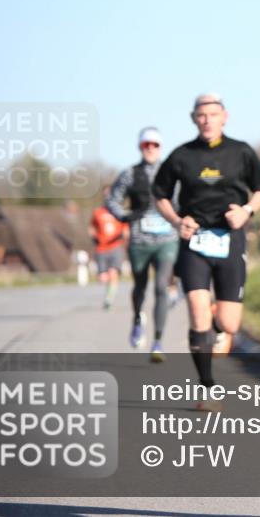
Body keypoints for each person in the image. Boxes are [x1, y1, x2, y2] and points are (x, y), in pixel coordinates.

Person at [152, 94, 260, 408]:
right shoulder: (182, 155)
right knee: (197, 310)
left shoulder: (241, 151)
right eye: (201, 115)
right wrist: (177, 221)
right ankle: (207, 387)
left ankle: (216, 328)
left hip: (231, 239)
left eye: (213, 114)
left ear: (224, 117)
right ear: (194, 118)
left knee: (230, 324)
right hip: (194, 241)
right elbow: (160, 194)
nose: (207, 120)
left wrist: (246, 211)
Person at [106, 127, 180, 362]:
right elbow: (112, 200)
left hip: (167, 240)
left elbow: (183, 201)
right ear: (140, 147)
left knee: (161, 287)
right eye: (146, 145)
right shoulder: (130, 173)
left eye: (154, 145)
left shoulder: (173, 173)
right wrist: (125, 216)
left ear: (160, 147)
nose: (150, 149)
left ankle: (158, 342)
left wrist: (181, 219)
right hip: (139, 241)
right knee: (140, 286)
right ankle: (138, 317)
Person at [90, 186, 129, 310]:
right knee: (102, 278)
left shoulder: (119, 212)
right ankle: (109, 291)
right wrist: (94, 238)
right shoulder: (97, 212)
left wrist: (124, 238)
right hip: (101, 248)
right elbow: (91, 228)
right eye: (105, 194)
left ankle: (109, 299)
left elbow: (126, 229)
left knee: (113, 273)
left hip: (115, 247)